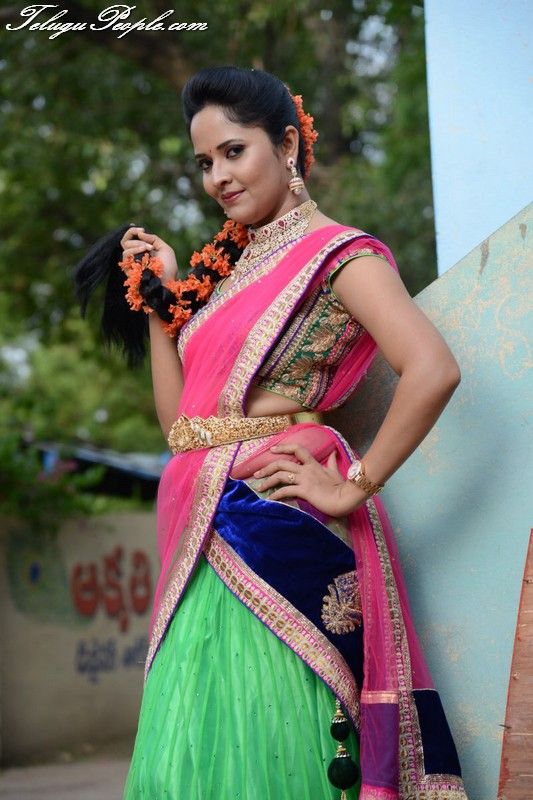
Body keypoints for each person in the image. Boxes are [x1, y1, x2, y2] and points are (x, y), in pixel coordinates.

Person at [74, 66, 468, 800]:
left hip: (272, 527)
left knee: (272, 745)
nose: (218, 177)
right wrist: (161, 300)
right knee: (186, 760)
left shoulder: (338, 256)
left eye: (233, 151)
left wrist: (353, 484)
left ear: (286, 145)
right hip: (203, 529)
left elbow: (432, 368)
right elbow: (183, 430)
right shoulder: (227, 274)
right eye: (205, 163)